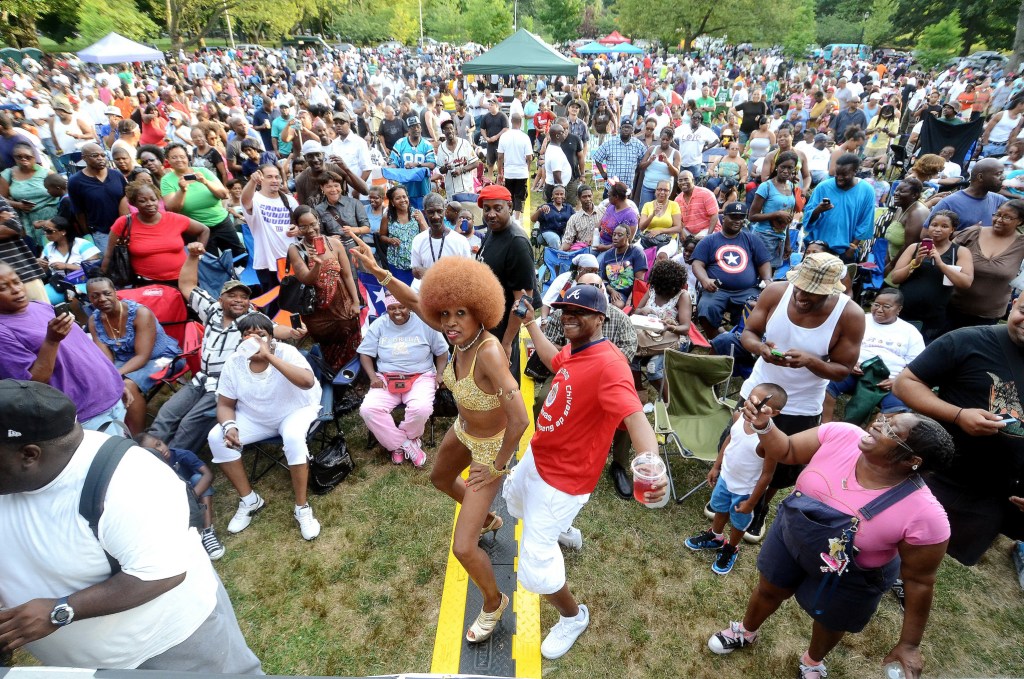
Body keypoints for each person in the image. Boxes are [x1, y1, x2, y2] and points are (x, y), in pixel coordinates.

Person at [0, 380, 262, 672]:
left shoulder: (131, 481)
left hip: (170, 649)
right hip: (86, 666)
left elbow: (161, 574)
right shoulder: (11, 480)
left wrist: (59, 612)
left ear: (29, 455)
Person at [348, 242, 529, 645]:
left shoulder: (489, 353)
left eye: (460, 313)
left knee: (464, 549)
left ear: (479, 310)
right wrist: (378, 270)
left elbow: (520, 419)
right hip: (463, 430)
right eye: (444, 313)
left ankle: (493, 602)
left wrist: (497, 465)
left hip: (491, 447)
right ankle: (486, 519)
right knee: (440, 478)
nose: (449, 321)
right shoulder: (456, 336)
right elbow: (413, 298)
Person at [707, 406, 952, 679]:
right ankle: (746, 631)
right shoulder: (842, 435)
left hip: (852, 574)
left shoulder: (925, 515)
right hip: (792, 540)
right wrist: (765, 426)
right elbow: (787, 450)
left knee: (831, 619)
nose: (877, 424)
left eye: (892, 430)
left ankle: (812, 661)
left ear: (912, 460)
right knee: (769, 588)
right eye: (884, 418)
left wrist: (909, 644)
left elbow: (920, 581)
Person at [513, 284, 663, 658]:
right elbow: (556, 362)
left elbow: (634, 415)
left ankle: (573, 616)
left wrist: (650, 465)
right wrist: (532, 323)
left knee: (535, 558)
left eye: (579, 311)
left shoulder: (610, 365)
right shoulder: (579, 349)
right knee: (515, 498)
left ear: (601, 318)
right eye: (565, 309)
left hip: (563, 480)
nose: (569, 316)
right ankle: (565, 530)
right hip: (539, 456)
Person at [738, 253, 865, 540]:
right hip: (757, 390)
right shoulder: (775, 292)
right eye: (800, 287)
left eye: (813, 293)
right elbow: (749, 332)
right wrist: (760, 349)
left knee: (782, 463)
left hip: (800, 406)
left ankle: (760, 506)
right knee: (742, 448)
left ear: (833, 290)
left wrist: (812, 362)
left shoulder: (850, 315)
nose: (803, 296)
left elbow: (843, 370)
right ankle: (736, 494)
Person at [894, 294, 1024, 567]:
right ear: (1012, 304)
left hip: (994, 496)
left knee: (942, 561)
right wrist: (958, 415)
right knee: (895, 540)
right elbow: (906, 383)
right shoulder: (968, 340)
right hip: (934, 475)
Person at [148, 244, 304, 455]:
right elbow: (186, 284)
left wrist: (293, 332)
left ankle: (175, 462)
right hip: (201, 379)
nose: (239, 300)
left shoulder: (250, 320)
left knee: (189, 424)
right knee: (166, 414)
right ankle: (148, 454)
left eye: (244, 297)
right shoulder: (211, 310)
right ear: (221, 299)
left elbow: (275, 329)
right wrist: (193, 257)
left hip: (224, 386)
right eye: (233, 296)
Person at [207, 312, 323, 541]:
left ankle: (302, 508)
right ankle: (249, 500)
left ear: (271, 338)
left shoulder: (286, 352)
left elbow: (307, 382)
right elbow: (225, 403)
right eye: (247, 336)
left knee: (292, 436)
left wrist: (269, 356)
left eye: (261, 335)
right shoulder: (234, 362)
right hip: (256, 417)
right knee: (215, 437)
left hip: (295, 410)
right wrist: (230, 425)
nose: (254, 340)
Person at [685, 383, 786, 575]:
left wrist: (751, 502)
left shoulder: (769, 441)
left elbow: (767, 475)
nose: (752, 407)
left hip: (745, 491)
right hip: (725, 479)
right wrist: (716, 466)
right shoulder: (739, 417)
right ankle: (715, 536)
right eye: (751, 400)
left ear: (774, 413)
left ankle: (731, 548)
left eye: (760, 405)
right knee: (720, 509)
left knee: (739, 523)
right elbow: (729, 439)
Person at [357, 295, 448, 466]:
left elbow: (442, 352)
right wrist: (372, 376)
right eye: (392, 308)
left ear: (410, 307)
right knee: (368, 409)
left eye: (402, 307)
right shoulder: (379, 325)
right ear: (387, 310)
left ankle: (406, 439)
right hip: (386, 377)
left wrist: (440, 374)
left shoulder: (425, 323)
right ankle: (405, 444)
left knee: (421, 408)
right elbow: (365, 354)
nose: (397, 311)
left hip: (420, 376)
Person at [85, 277, 181, 435]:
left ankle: (138, 436)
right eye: (95, 296)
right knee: (98, 381)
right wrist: (108, 375)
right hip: (124, 360)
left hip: (162, 359)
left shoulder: (139, 313)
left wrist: (115, 375)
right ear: (90, 298)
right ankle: (112, 428)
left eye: (106, 293)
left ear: (116, 293)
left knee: (127, 384)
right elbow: (106, 358)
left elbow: (143, 356)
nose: (101, 299)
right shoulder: (94, 321)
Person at [822, 289, 925, 423]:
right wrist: (849, 362)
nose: (879, 309)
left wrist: (898, 380)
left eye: (886, 306)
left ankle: (864, 438)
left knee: (896, 410)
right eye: (876, 304)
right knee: (825, 386)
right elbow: (837, 345)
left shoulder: (910, 332)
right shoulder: (859, 319)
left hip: (887, 380)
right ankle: (824, 427)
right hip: (855, 372)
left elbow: (917, 365)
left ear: (898, 309)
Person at [286, 206, 361, 372]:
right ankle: (330, 379)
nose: (310, 230)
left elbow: (348, 275)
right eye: (304, 226)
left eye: (313, 224)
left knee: (351, 340)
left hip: (344, 306)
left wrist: (356, 302)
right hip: (317, 313)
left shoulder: (334, 244)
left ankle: (353, 378)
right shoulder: (295, 249)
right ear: (297, 227)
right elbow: (306, 279)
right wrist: (316, 264)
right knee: (328, 351)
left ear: (318, 221)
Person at [890, 210, 975, 342]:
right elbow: (895, 278)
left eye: (944, 226)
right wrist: (915, 262)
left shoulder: (959, 252)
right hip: (904, 312)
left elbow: (966, 282)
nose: (937, 229)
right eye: (934, 225)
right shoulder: (915, 247)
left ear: (952, 229)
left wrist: (941, 264)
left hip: (934, 318)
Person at [691, 202, 772, 339]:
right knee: (706, 308)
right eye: (733, 217)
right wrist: (704, 280)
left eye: (741, 218)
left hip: (747, 290)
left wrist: (767, 280)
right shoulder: (709, 241)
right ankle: (717, 341)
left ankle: (742, 340)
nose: (737, 221)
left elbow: (764, 262)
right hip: (716, 290)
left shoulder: (752, 239)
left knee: (756, 308)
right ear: (724, 218)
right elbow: (697, 264)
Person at [474, 185, 536, 363]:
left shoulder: (517, 243)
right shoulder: (492, 232)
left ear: (509, 207)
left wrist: (507, 342)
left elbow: (524, 300)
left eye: (497, 208)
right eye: (486, 209)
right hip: (486, 325)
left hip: (503, 332)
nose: (491, 214)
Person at [106, 180, 210, 286]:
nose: (150, 204)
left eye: (153, 199)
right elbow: (109, 255)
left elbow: (204, 230)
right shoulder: (124, 223)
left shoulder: (173, 218)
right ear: (133, 203)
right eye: (142, 201)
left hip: (183, 281)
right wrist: (104, 281)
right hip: (147, 284)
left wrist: (197, 255)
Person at [136, 432, 222, 559]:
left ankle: (207, 531)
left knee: (198, 478)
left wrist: (191, 497)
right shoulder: (152, 472)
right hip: (175, 505)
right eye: (154, 451)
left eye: (159, 444)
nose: (161, 450)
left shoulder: (182, 455)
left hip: (195, 494)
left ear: (162, 440)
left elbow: (208, 475)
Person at [946, 199, 1024, 329]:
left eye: (1007, 217)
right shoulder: (973, 233)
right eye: (997, 214)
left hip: (988, 316)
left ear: (1020, 221)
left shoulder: (1021, 244)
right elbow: (946, 254)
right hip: (952, 307)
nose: (999, 219)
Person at [161, 143, 244, 260]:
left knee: (239, 257)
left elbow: (224, 194)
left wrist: (205, 182)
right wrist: (182, 190)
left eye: (182, 156)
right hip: (197, 230)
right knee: (210, 263)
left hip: (222, 222)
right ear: (168, 160)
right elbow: (173, 209)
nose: (179, 160)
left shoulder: (202, 171)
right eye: (174, 157)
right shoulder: (167, 180)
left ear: (187, 157)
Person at [631, 258, 692, 400]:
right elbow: (637, 311)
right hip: (650, 336)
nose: (660, 291)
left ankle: (669, 401)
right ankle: (639, 391)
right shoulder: (652, 289)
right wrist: (642, 310)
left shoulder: (682, 296)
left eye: (664, 288)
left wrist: (671, 327)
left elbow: (685, 328)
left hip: (673, 339)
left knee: (653, 368)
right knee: (630, 353)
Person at [802, 153, 876, 262]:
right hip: (818, 248)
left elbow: (866, 222)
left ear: (855, 171)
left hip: (845, 251)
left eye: (844, 174)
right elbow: (807, 219)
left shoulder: (867, 191)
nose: (839, 178)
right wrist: (818, 210)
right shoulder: (823, 187)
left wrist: (852, 248)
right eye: (837, 174)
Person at [240, 164, 299, 293]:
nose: (274, 180)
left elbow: (303, 224)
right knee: (272, 305)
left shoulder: (290, 200)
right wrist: (252, 181)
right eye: (269, 177)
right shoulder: (255, 199)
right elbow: (245, 201)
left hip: (292, 260)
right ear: (261, 179)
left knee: (294, 303)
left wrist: (298, 230)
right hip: (266, 263)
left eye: (277, 177)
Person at [66, 143, 128, 253]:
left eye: (103, 155)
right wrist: (87, 234)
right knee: (111, 263)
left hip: (125, 229)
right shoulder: (75, 181)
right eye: (95, 155)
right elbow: (79, 212)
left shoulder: (116, 175)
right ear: (84, 158)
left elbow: (127, 198)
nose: (100, 158)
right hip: (101, 233)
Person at [0, 142, 57, 247]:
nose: (23, 159)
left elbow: (61, 192)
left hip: (51, 219)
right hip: (27, 222)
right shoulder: (8, 174)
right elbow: (1, 200)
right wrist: (18, 205)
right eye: (19, 157)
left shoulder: (46, 173)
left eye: (28, 157)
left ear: (34, 158)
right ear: (14, 158)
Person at [749, 151, 798, 269]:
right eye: (783, 167)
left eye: (790, 168)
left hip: (779, 240)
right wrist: (777, 214)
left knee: (771, 274)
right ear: (776, 167)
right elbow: (752, 216)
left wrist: (787, 244)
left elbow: (786, 219)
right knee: (759, 274)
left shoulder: (791, 186)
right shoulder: (766, 186)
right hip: (763, 237)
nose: (786, 171)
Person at [926, 158, 1007, 229]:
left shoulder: (999, 200)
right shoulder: (949, 203)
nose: (1003, 177)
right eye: (998, 174)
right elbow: (925, 234)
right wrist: (966, 233)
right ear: (980, 177)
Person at [410, 193, 472, 280]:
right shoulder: (418, 240)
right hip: (426, 291)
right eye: (431, 212)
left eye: (439, 211)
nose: (436, 217)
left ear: (444, 211)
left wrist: (431, 273)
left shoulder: (460, 241)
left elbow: (468, 272)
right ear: (425, 212)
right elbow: (415, 270)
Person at [882, 178, 930, 280]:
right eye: (896, 190)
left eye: (902, 191)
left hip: (902, 266)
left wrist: (891, 265)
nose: (896, 193)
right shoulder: (900, 208)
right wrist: (887, 258)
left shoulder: (916, 213)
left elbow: (909, 246)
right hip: (891, 261)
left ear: (914, 195)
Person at [380, 184, 428, 286]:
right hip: (396, 263)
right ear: (392, 202)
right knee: (402, 294)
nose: (402, 200)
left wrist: (421, 221)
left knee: (416, 292)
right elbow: (382, 236)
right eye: (398, 198)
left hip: (416, 264)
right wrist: (390, 240)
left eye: (404, 197)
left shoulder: (416, 214)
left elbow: (427, 235)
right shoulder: (387, 217)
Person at [599, 224, 648, 308]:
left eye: (620, 235)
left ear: (628, 236)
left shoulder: (636, 252)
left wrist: (629, 300)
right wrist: (612, 291)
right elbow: (602, 279)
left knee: (617, 305)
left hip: (627, 294)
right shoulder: (608, 254)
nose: (615, 237)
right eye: (614, 234)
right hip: (609, 291)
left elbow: (639, 282)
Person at [593, 119, 647, 193]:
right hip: (611, 188)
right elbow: (597, 157)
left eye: (629, 128)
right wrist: (602, 173)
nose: (626, 129)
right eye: (624, 127)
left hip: (627, 188)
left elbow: (644, 159)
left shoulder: (638, 144)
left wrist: (636, 170)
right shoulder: (609, 143)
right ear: (620, 129)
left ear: (632, 130)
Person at [496, 112, 533, 221]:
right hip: (521, 171)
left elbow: (500, 157)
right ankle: (517, 219)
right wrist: (528, 168)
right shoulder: (525, 137)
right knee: (520, 196)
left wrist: (499, 172)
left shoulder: (504, 136)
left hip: (508, 172)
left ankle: (509, 216)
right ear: (520, 122)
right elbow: (529, 157)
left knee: (509, 195)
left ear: (511, 121)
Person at [436, 119, 478, 203]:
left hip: (466, 187)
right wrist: (446, 167)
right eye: (446, 129)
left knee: (467, 211)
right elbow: (441, 170)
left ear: (454, 129)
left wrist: (461, 170)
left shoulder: (464, 143)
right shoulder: (441, 148)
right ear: (443, 132)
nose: (449, 131)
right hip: (451, 189)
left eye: (451, 128)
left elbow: (475, 163)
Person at [675, 171, 719, 237]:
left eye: (686, 179)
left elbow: (714, 216)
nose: (683, 182)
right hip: (688, 231)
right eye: (680, 180)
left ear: (693, 180)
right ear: (678, 183)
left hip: (707, 230)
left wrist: (708, 236)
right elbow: (678, 221)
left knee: (698, 242)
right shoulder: (677, 200)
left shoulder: (706, 193)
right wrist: (683, 234)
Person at [532, 185, 575, 250]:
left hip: (564, 234)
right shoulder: (545, 207)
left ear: (564, 196)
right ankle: (557, 258)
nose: (559, 196)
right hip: (546, 233)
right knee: (554, 239)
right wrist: (540, 210)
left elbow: (575, 220)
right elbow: (533, 219)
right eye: (556, 194)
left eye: (561, 194)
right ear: (552, 196)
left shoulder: (569, 208)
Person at [560, 184, 600, 251]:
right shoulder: (574, 218)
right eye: (584, 197)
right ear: (579, 198)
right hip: (583, 250)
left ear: (592, 196)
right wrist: (560, 251)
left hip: (600, 247)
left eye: (589, 196)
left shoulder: (603, 211)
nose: (588, 199)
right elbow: (568, 241)